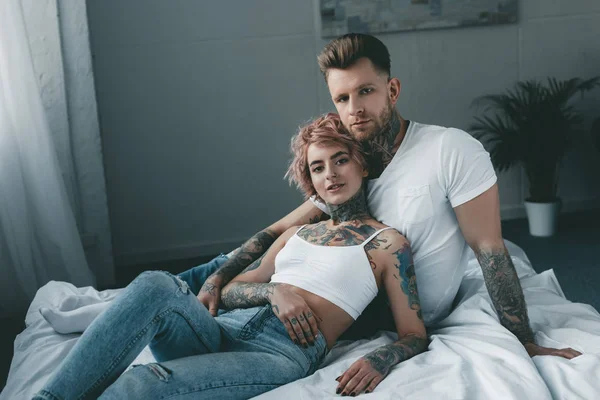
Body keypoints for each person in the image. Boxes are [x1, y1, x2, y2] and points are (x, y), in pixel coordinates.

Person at [188, 33, 581, 360]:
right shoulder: (352, 162)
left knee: (177, 299)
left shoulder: (450, 149)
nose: (354, 109)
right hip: (335, 295)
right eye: (342, 99)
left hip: (395, 313)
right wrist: (217, 278)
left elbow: (490, 250)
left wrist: (526, 340)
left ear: (391, 89)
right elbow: (281, 228)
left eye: (365, 92)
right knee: (186, 284)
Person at [33, 114, 427, 399]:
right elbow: (235, 287)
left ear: (360, 161)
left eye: (340, 159)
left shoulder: (387, 244)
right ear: (311, 181)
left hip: (278, 352)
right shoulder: (297, 233)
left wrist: (382, 358)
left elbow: (414, 334)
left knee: (141, 383)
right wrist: (275, 292)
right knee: (157, 283)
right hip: (222, 328)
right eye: (318, 167)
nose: (330, 175)